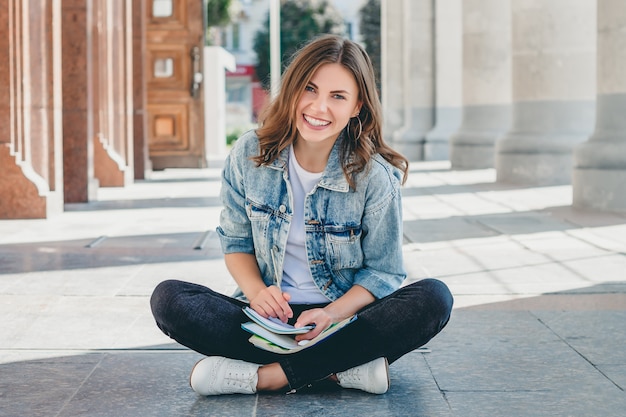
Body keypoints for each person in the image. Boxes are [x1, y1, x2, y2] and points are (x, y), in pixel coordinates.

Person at [150, 34, 453, 396]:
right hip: (267, 322)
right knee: (168, 299)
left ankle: (269, 377)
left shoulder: (374, 175)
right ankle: (337, 370)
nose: (319, 107)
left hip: (344, 321)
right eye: (309, 89)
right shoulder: (250, 153)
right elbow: (235, 243)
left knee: (435, 297)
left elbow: (384, 273)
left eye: (337, 96)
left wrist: (332, 314)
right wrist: (257, 292)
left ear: (357, 106)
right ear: (292, 90)